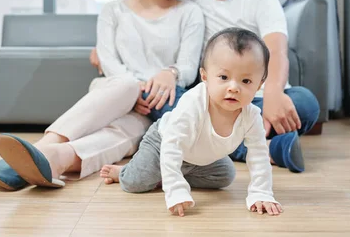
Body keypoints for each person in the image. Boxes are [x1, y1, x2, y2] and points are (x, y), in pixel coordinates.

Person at [91, 0, 320, 173]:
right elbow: (161, 36)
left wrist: (273, 94)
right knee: (164, 97)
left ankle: (239, 139)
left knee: (305, 102)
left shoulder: (261, 0)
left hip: (257, 96)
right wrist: (104, 48)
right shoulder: (189, 4)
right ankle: (267, 147)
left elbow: (277, 51)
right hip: (211, 102)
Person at [0, 0, 205, 190]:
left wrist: (171, 73)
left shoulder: (189, 12)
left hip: (152, 108)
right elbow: (109, 63)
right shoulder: (113, 10)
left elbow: (189, 68)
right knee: (126, 84)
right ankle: (43, 147)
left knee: (129, 132)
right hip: (113, 93)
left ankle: (55, 160)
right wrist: (136, 90)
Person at [100, 28, 282, 217]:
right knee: (135, 183)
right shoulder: (193, 103)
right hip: (164, 142)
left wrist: (261, 193)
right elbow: (172, 145)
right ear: (205, 76)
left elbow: (259, 154)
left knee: (225, 176)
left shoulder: (251, 115)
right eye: (223, 77)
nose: (233, 87)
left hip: (199, 157)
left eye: (246, 80)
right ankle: (126, 171)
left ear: (259, 85)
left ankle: (171, 171)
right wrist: (176, 190)